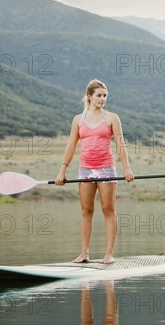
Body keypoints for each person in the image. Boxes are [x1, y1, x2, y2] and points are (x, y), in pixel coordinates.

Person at [55, 79, 134, 264]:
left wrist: (127, 168)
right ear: (89, 96)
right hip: (85, 171)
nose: (102, 99)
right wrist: (62, 171)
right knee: (86, 211)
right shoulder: (78, 120)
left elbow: (121, 145)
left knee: (108, 210)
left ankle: (109, 254)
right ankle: (84, 254)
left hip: (106, 169)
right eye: (99, 95)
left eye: (105, 96)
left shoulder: (112, 118)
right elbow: (71, 146)